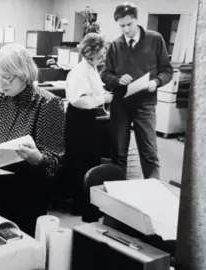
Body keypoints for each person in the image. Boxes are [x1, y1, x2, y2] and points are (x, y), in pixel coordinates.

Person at [0, 43, 65, 237]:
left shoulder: (47, 103)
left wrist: (38, 158)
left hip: (28, 192)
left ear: (24, 73)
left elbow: (55, 163)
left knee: (23, 249)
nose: (1, 83)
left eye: (7, 78)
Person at [101, 3, 173, 179]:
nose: (126, 30)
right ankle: (118, 192)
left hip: (145, 104)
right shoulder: (115, 45)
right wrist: (117, 80)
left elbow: (167, 71)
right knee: (119, 153)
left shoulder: (155, 39)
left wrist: (156, 82)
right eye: (121, 26)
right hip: (120, 105)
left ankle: (154, 190)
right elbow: (105, 74)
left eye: (129, 24)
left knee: (149, 152)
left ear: (136, 20)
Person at [63, 33, 113, 214]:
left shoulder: (92, 68)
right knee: (79, 161)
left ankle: (85, 201)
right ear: (90, 53)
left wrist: (102, 94)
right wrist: (103, 98)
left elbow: (91, 91)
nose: (103, 56)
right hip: (79, 120)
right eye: (100, 53)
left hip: (87, 119)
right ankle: (79, 204)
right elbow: (80, 100)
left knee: (88, 159)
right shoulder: (79, 72)